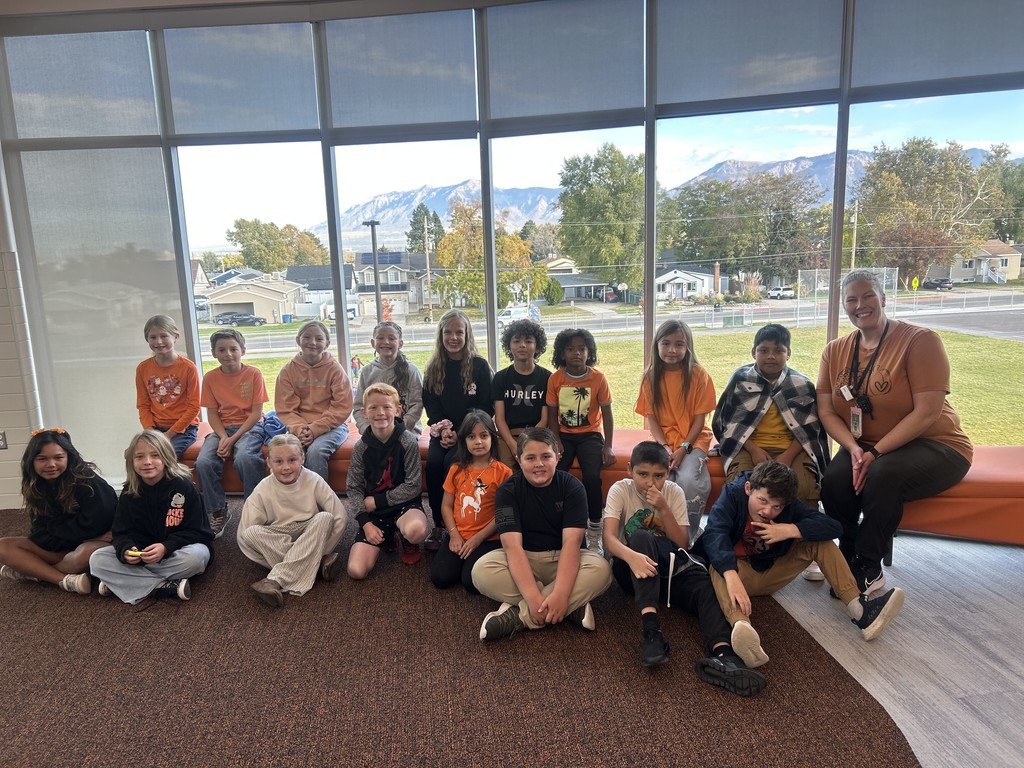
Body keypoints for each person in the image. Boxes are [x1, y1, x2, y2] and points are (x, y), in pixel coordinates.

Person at [817, 270, 973, 594]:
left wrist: (875, 453)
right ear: (844, 306)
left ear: (883, 298)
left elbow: (927, 411)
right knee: (833, 481)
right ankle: (847, 556)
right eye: (851, 299)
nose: (860, 305)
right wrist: (854, 448)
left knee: (883, 475)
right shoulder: (835, 350)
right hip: (865, 445)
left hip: (935, 444)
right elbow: (827, 410)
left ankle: (868, 565)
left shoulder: (920, 341)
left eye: (868, 296)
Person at [691, 461, 906, 662]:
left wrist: (790, 529)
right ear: (748, 488)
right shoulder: (732, 495)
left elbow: (834, 527)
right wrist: (731, 574)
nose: (767, 511)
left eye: (777, 507)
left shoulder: (789, 506)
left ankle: (860, 610)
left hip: (766, 572)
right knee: (718, 565)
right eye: (763, 501)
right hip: (730, 580)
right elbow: (714, 534)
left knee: (821, 543)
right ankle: (742, 628)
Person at [602, 441, 767, 695]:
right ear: (629, 470)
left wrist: (663, 507)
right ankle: (651, 632)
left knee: (704, 585)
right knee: (642, 537)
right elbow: (608, 539)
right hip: (631, 571)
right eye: (642, 474)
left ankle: (723, 655)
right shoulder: (620, 489)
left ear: (668, 472)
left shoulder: (673, 492)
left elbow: (681, 544)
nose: (650, 483)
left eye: (658, 476)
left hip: (668, 569)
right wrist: (632, 557)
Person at [714, 323, 831, 581]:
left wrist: (788, 456)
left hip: (791, 447)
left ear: (788, 353)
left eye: (778, 350)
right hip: (748, 445)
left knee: (805, 484)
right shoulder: (741, 379)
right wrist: (753, 449)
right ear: (753, 352)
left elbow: (811, 430)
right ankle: (743, 543)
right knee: (742, 485)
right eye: (764, 350)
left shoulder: (802, 384)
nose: (770, 356)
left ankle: (806, 546)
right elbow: (725, 422)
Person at [472, 427, 612, 642]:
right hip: (524, 558)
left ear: (558, 457)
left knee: (602, 570)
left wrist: (561, 594)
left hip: (563, 558)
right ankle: (569, 607)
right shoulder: (507, 491)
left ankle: (520, 617)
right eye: (530, 458)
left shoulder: (573, 487)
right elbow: (512, 547)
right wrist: (532, 597)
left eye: (546, 456)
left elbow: (572, 544)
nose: (539, 464)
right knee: (481, 571)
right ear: (519, 460)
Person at [90, 430, 213, 603]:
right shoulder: (129, 492)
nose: (147, 462)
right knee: (97, 559)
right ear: (132, 462)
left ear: (166, 457)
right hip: (142, 554)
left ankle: (124, 581)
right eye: (139, 457)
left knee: (197, 558)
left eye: (155, 455)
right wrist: (126, 549)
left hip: (176, 552)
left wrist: (166, 547)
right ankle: (163, 586)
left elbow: (201, 533)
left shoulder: (185, 487)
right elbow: (120, 533)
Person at [0, 428, 116, 595]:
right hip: (63, 546)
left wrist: (82, 537)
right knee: (3, 546)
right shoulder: (36, 485)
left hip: (87, 548)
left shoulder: (92, 486)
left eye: (58, 457)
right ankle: (64, 579)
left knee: (87, 552)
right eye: (42, 459)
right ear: (31, 461)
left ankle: (34, 572)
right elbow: (39, 535)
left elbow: (100, 528)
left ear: (69, 457)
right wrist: (81, 536)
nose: (51, 464)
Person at [236, 434, 348, 608]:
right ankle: (316, 564)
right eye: (278, 461)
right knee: (251, 533)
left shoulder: (313, 480)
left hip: (308, 531)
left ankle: (275, 580)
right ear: (269, 462)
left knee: (325, 518)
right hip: (278, 535)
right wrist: (314, 555)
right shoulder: (263, 489)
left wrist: (321, 549)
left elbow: (340, 517)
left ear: (302, 459)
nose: (286, 467)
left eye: (292, 460)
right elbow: (246, 535)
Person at [634, 320, 716, 545]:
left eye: (679, 344)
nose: (672, 350)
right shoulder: (650, 376)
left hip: (693, 440)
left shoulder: (699, 375)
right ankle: (659, 534)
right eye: (666, 343)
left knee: (688, 480)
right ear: (657, 345)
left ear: (688, 346)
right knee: (662, 479)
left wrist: (683, 448)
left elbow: (699, 420)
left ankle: (686, 537)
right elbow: (651, 418)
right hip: (662, 441)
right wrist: (663, 446)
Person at [422, 309, 493, 550]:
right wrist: (444, 430)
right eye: (448, 332)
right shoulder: (434, 367)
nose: (453, 337)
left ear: (467, 334)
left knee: (450, 464)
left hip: (471, 433)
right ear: (441, 335)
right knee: (433, 464)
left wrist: (462, 433)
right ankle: (439, 523)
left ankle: (458, 521)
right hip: (443, 431)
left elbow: (485, 405)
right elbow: (431, 405)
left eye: (459, 332)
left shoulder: (479, 366)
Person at [346, 383, 429, 578]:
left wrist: (377, 501)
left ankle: (407, 540)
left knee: (416, 530)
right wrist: (365, 523)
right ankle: (388, 534)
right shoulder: (360, 448)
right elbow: (353, 488)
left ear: (398, 410)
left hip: (404, 505)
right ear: (364, 412)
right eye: (373, 407)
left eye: (387, 407)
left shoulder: (408, 441)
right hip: (375, 514)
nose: (380, 413)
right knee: (356, 570)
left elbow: (413, 486)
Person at [194, 328, 269, 538]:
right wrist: (223, 438)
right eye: (222, 350)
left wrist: (232, 439)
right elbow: (212, 414)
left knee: (245, 458)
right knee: (203, 462)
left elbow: (256, 414)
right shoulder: (210, 378)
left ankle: (254, 510)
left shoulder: (253, 374)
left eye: (233, 349)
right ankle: (218, 510)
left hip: (249, 427)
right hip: (221, 429)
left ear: (243, 350)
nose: (228, 354)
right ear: (213, 353)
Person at [546, 328, 614, 553]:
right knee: (556, 474)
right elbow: (552, 414)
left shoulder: (598, 378)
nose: (576, 353)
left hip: (590, 435)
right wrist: (555, 440)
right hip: (564, 435)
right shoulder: (555, 379)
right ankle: (559, 524)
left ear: (589, 352)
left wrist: (608, 446)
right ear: (562, 353)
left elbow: (607, 414)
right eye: (570, 349)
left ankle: (594, 528)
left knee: (592, 477)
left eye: (582, 349)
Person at [430, 410, 513, 593]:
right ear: (464, 440)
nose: (478, 442)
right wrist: (454, 535)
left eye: (484, 436)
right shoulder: (456, 469)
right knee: (440, 578)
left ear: (492, 438)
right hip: (459, 534)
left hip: (488, 539)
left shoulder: (504, 473)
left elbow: (503, 514)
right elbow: (446, 506)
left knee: (470, 582)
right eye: (471, 436)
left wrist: (477, 539)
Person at [275, 320, 354, 483]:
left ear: (327, 344)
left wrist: (314, 429)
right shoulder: (287, 371)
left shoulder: (335, 369)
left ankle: (319, 497)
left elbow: (342, 407)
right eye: (307, 337)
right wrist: (300, 429)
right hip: (300, 428)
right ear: (298, 340)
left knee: (316, 451)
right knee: (288, 451)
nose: (312, 342)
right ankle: (291, 496)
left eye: (319, 338)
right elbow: (286, 409)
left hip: (333, 426)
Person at [135, 315, 200, 457]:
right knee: (137, 457)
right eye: (153, 337)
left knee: (163, 457)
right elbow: (143, 405)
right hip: (155, 429)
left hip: (183, 429)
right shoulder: (142, 368)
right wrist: (151, 431)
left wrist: (169, 434)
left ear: (175, 337)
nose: (158, 342)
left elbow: (194, 407)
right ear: (147, 339)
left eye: (164, 336)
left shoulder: (188, 368)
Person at [492, 318, 551, 469]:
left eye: (528, 341)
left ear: (537, 346)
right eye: (516, 341)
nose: (522, 345)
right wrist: (512, 445)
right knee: (506, 469)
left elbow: (545, 419)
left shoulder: (547, 378)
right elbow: (499, 419)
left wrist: (528, 442)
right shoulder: (500, 378)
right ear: (509, 345)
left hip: (538, 434)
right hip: (508, 435)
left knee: (536, 466)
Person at [352, 321, 424, 435]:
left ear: (400, 343)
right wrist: (367, 430)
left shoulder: (412, 371)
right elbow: (358, 406)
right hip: (374, 433)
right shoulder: (367, 372)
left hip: (406, 431)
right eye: (380, 338)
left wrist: (398, 430)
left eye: (391, 338)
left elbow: (417, 404)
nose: (386, 342)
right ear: (373, 343)